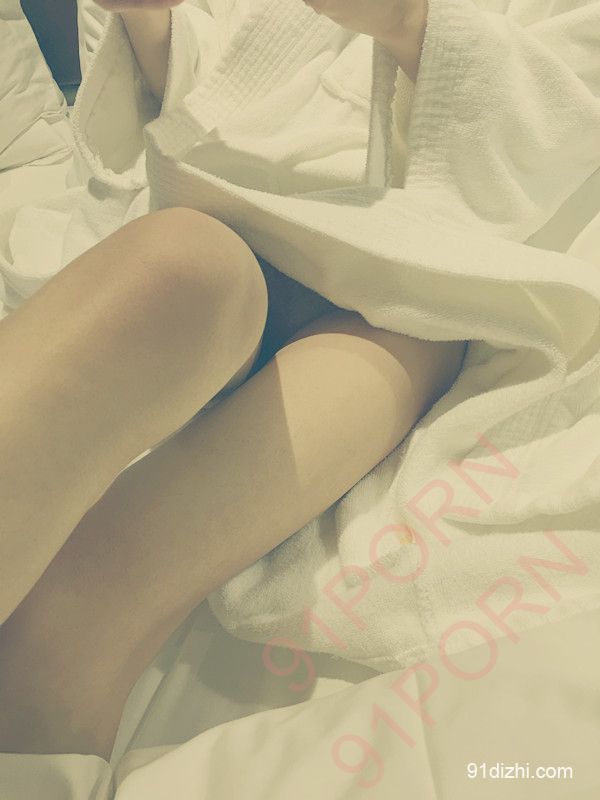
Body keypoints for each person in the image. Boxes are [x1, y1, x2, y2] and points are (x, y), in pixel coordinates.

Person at [0, 0, 467, 759]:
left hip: (407, 264)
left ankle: (56, 661)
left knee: (419, 332)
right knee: (180, 267)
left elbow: (557, 120)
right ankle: (51, 679)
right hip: (230, 210)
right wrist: (151, 21)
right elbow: (196, 85)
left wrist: (408, 26)